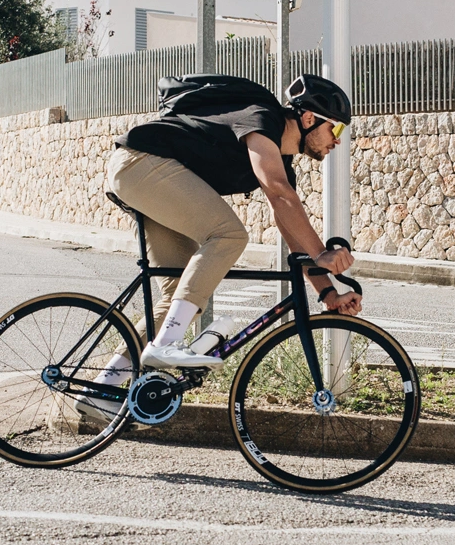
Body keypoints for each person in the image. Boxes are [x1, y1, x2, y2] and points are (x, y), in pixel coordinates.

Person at [103, 72, 359, 379]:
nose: (338, 139)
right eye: (336, 127)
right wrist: (322, 254)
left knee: (181, 297)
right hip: (140, 163)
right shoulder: (262, 119)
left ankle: (104, 388)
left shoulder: (280, 159)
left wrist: (329, 294)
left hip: (143, 172)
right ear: (308, 119)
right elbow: (279, 193)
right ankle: (166, 345)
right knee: (229, 235)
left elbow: (294, 237)